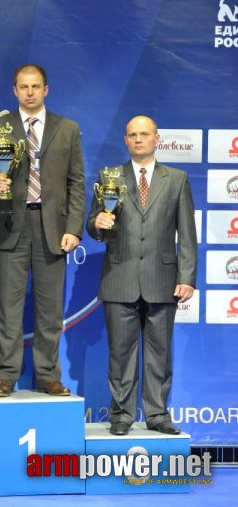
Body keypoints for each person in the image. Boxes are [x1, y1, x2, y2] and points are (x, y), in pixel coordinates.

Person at [87, 116, 197, 435]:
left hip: (163, 279)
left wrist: (187, 275)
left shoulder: (176, 179)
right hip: (119, 277)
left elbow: (187, 233)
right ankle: (121, 414)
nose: (138, 139)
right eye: (132, 135)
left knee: (159, 352)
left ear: (156, 138)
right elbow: (94, 223)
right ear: (125, 140)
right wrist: (97, 224)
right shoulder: (109, 176)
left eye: (144, 134)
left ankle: (157, 414)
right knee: (120, 353)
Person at [0, 64, 85, 397]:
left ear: (46, 90)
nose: (29, 92)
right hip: (12, 224)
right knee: (8, 307)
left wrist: (74, 229)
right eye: (23, 87)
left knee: (50, 308)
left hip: (52, 228)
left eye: (35, 86)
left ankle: (48, 375)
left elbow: (77, 183)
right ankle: (5, 376)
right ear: (14, 90)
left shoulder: (67, 129)